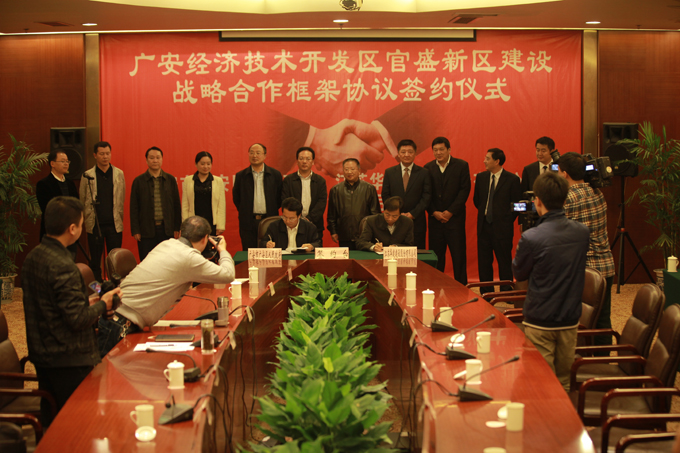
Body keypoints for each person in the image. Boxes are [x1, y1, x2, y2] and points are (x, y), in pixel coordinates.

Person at [21, 196, 121, 427]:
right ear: (73, 228)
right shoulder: (63, 265)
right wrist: (103, 304)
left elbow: (54, 308)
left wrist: (95, 301)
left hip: (43, 354)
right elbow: (77, 319)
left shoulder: (32, 257)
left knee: (52, 420)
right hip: (68, 358)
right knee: (77, 423)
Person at [98, 216, 235, 357]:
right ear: (205, 238)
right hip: (120, 324)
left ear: (180, 233)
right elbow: (228, 274)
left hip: (114, 316)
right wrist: (222, 250)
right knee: (105, 371)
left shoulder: (166, 244)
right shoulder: (189, 257)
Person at [512, 172, 589, 392]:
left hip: (540, 320)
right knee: (564, 382)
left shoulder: (531, 237)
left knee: (540, 383)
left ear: (537, 200)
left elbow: (519, 273)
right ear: (564, 200)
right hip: (570, 318)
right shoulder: (582, 233)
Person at [558, 152, 616, 352]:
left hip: (582, 269)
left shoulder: (567, 199)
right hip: (605, 266)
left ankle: (581, 359)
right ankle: (603, 362)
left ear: (564, 174)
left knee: (578, 319)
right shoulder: (598, 193)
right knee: (603, 319)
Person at [472, 148, 521, 293]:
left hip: (503, 228)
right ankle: (486, 291)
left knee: (504, 261)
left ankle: (506, 291)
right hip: (484, 226)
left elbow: (517, 205)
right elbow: (477, 200)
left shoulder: (512, 179)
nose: (484, 161)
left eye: (487, 158)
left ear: (497, 161)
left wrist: (506, 219)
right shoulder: (481, 178)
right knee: (484, 262)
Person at [424, 136, 471, 284]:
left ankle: (462, 287)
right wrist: (434, 212)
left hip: (455, 219)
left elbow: (464, 191)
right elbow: (426, 193)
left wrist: (450, 211)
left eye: (441, 149)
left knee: (458, 256)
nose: (438, 153)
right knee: (436, 257)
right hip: (435, 220)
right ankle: (436, 286)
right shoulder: (428, 168)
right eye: (435, 150)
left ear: (449, 150)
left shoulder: (461, 165)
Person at [80, 141, 126, 282]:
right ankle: (97, 289)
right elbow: (82, 199)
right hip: (95, 224)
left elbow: (121, 198)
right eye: (102, 154)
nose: (105, 157)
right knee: (95, 261)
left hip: (114, 224)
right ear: (95, 155)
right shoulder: (87, 175)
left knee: (114, 261)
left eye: (107, 153)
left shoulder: (118, 174)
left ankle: (114, 287)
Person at [129, 146, 181, 260]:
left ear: (162, 159)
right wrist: (136, 230)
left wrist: (177, 227)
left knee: (167, 260)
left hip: (166, 229)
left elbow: (176, 205)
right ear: (146, 160)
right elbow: (134, 208)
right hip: (146, 230)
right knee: (147, 260)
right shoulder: (138, 181)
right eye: (152, 158)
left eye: (158, 157)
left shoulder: (170, 180)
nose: (155, 160)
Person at [381, 139, 431, 249]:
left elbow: (426, 197)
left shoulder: (424, 173)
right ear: (398, 154)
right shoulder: (390, 172)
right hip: (394, 221)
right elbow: (385, 195)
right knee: (395, 254)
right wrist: (396, 213)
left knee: (417, 254)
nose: (406, 155)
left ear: (415, 153)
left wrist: (412, 214)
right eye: (403, 152)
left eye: (410, 152)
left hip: (417, 221)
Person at [233, 143, 283, 250]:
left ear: (265, 155)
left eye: (258, 153)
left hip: (269, 220)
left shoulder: (275, 175)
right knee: (249, 251)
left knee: (269, 251)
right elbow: (237, 198)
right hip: (248, 221)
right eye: (252, 153)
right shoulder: (241, 176)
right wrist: (246, 211)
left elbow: (279, 197)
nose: (254, 156)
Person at [327, 158, 380, 249]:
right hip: (344, 235)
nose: (349, 172)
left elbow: (375, 213)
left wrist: (374, 232)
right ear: (343, 171)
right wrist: (333, 231)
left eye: (352, 169)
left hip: (364, 236)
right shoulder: (335, 190)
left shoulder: (369, 188)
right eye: (346, 169)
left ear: (359, 170)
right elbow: (332, 214)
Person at [36, 150, 80, 258]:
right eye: (62, 161)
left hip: (70, 232)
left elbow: (76, 204)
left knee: (69, 262)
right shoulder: (43, 184)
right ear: (52, 164)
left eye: (67, 161)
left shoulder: (70, 183)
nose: (66, 164)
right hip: (53, 233)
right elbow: (47, 209)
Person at [281, 147, 327, 237]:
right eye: (301, 158)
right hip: (292, 225)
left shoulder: (320, 181)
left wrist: (309, 219)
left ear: (313, 161)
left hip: (314, 225)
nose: (304, 162)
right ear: (297, 161)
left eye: (308, 159)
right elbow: (285, 200)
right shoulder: (289, 180)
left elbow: (321, 202)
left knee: (314, 245)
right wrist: (296, 218)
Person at [181, 151, 226, 236]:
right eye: (202, 164)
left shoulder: (218, 181)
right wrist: (185, 224)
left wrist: (220, 225)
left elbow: (221, 205)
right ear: (196, 164)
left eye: (208, 164)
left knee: (210, 243)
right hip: (193, 224)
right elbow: (185, 205)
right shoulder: (188, 180)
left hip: (212, 222)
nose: (206, 166)